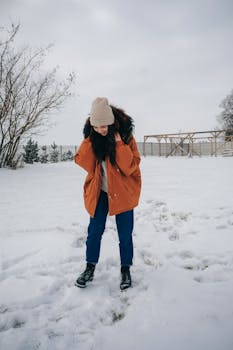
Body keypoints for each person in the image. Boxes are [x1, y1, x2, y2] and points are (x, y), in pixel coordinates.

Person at [74, 97, 141, 290]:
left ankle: (125, 269)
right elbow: (83, 162)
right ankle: (89, 267)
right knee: (94, 231)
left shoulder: (126, 137)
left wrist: (120, 146)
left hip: (123, 192)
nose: (101, 130)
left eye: (104, 126)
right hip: (100, 192)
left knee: (125, 233)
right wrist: (90, 137)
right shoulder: (93, 138)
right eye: (97, 127)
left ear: (112, 122)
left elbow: (131, 166)